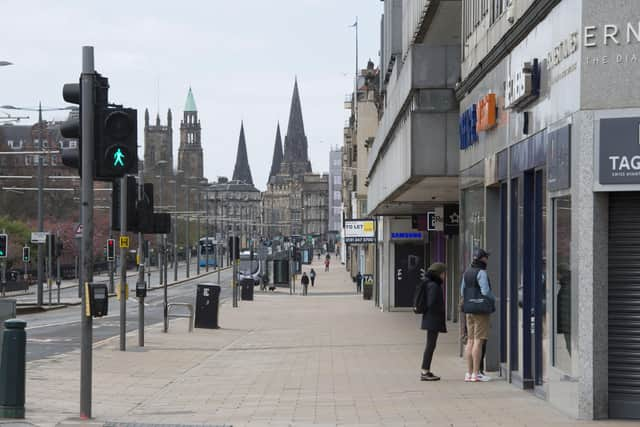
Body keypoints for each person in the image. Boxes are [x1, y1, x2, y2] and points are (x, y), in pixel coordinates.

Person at [461, 249, 495, 382]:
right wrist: (494, 298)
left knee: (470, 340)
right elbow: (485, 291)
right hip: (480, 310)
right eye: (486, 257)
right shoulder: (481, 272)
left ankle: (469, 374)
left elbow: (462, 291)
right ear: (483, 259)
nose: (487, 260)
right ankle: (476, 373)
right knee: (478, 341)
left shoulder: (467, 272)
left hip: (468, 310)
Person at [420, 262, 448, 381]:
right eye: (444, 273)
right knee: (430, 345)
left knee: (431, 345)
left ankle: (426, 370)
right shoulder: (434, 286)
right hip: (432, 319)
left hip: (430, 319)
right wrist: (439, 309)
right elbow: (431, 303)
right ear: (439, 273)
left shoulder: (430, 284)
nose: (445, 276)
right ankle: (425, 371)